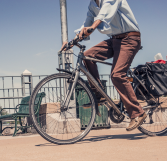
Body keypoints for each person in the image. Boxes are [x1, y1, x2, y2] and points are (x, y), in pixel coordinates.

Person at [61, 0, 147, 131]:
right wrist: (72, 42)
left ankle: (137, 113)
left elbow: (104, 14)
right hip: (115, 40)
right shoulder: (92, 5)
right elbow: (86, 24)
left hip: (130, 38)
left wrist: (93, 27)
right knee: (88, 56)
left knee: (117, 75)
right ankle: (98, 93)